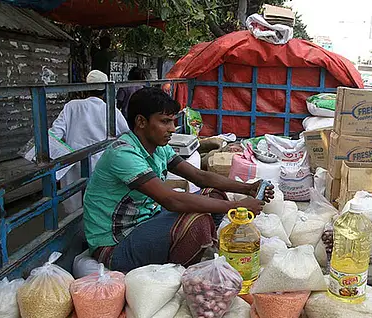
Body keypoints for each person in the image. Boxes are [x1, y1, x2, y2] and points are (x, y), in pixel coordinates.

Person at [83, 86, 274, 272]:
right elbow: (171, 200)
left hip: (146, 222)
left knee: (213, 195)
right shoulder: (123, 154)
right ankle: (180, 272)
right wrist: (236, 207)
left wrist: (247, 188)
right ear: (141, 122)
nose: (172, 129)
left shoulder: (159, 148)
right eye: (165, 122)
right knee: (197, 221)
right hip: (115, 246)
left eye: (173, 122)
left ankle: (191, 250)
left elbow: (199, 176)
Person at [39, 70, 129, 213]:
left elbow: (54, 134)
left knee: (74, 208)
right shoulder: (111, 110)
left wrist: (38, 152)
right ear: (106, 90)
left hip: (74, 163)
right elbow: (126, 135)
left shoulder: (72, 106)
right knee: (98, 208)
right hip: (101, 164)